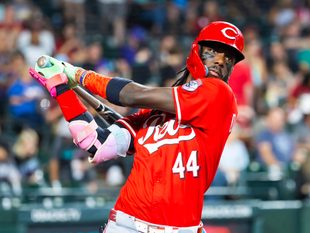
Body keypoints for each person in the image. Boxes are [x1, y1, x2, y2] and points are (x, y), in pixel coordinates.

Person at [29, 21, 244, 233]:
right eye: (214, 51)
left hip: (180, 228)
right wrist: (61, 89)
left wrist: (77, 74)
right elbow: (96, 142)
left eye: (229, 58)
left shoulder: (220, 96)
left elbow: (131, 95)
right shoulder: (150, 114)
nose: (220, 61)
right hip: (126, 223)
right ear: (197, 49)